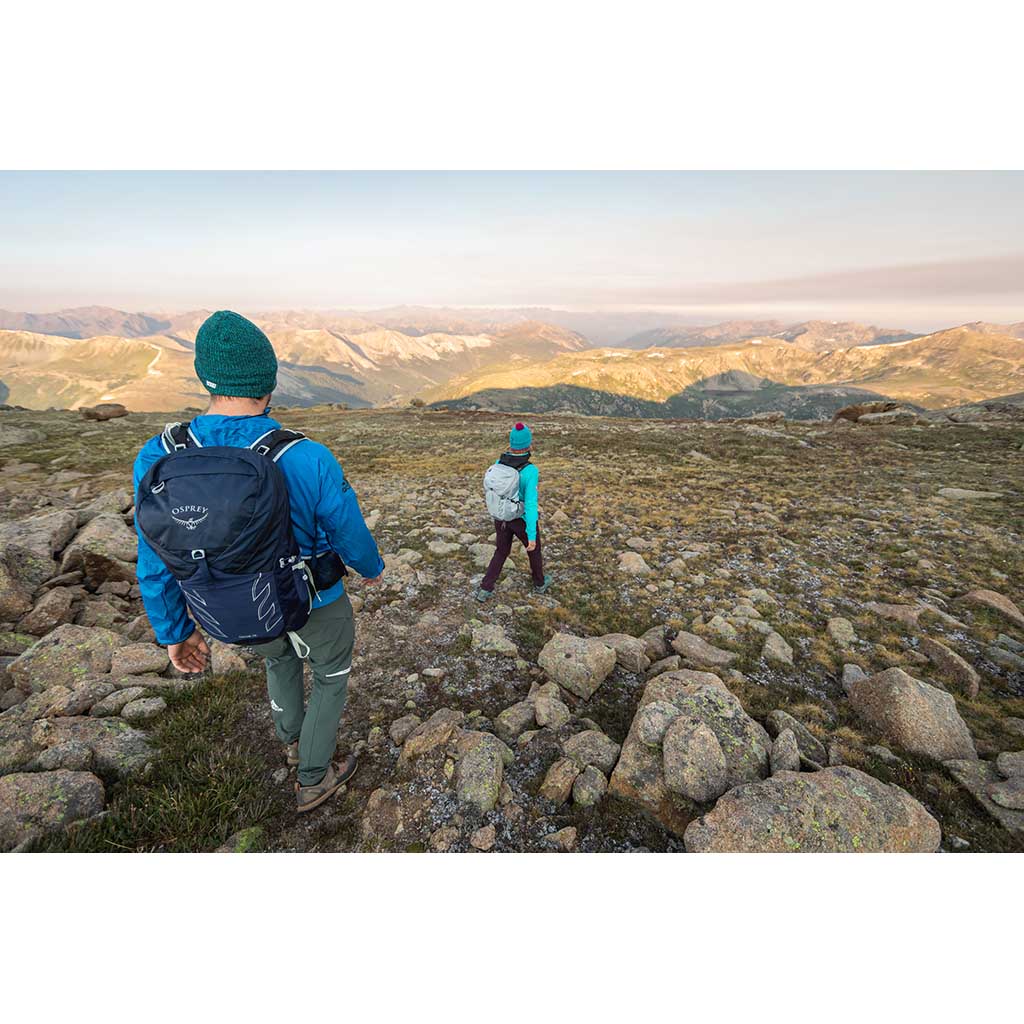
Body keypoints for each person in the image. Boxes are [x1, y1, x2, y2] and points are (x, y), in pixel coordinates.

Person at [132, 310, 385, 813]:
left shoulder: (158, 455)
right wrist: (371, 568)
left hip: (236, 602)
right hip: (315, 599)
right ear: (269, 381)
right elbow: (347, 530)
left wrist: (175, 631)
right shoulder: (305, 455)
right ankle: (313, 776)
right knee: (330, 675)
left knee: (277, 659)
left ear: (204, 376)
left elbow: (155, 556)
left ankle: (292, 743)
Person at [477, 421, 551, 601]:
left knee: (501, 551)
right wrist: (531, 535)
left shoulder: (498, 463)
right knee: (533, 550)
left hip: (501, 516)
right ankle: (539, 583)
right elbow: (531, 504)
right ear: (528, 444)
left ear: (511, 443)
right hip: (520, 519)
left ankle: (485, 588)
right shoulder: (530, 470)